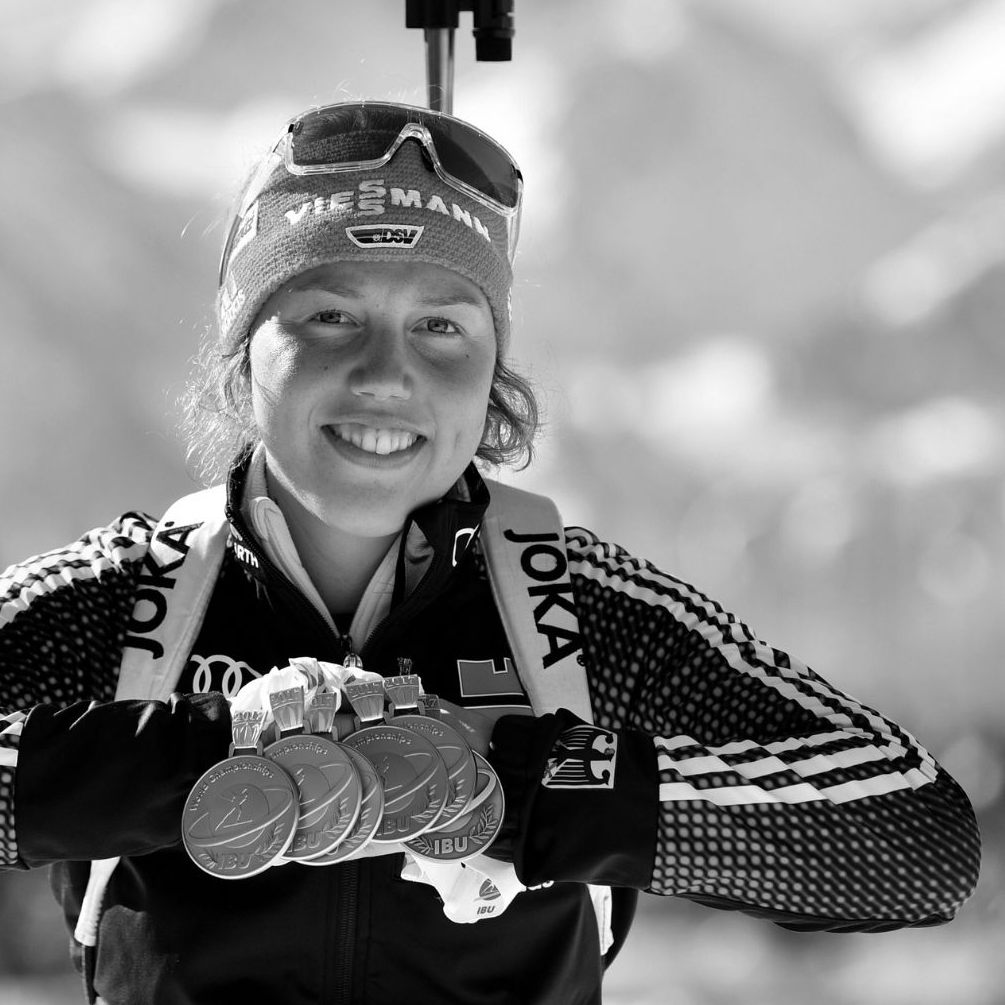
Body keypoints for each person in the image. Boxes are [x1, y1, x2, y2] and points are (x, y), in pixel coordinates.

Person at [0, 101, 981, 1005]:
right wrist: (217, 753)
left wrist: (513, 782)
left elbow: (916, 837)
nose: (386, 373)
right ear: (242, 356)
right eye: (330, 315)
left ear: (494, 377)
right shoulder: (125, 603)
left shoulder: (580, 612)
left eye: (441, 326)